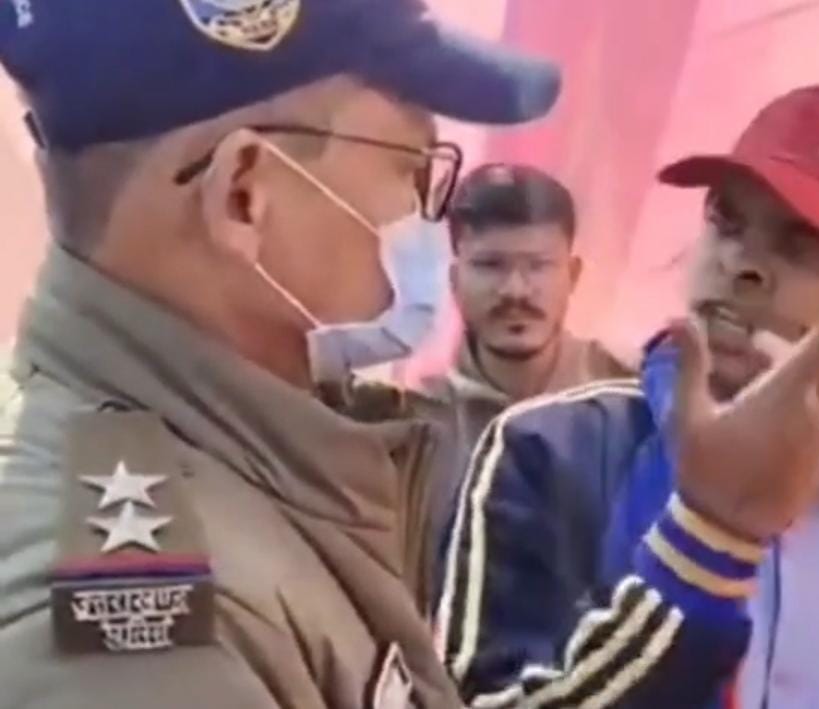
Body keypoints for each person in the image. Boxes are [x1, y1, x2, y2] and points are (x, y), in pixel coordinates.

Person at [0, 0, 566, 706]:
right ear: (244, 196)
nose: (431, 222)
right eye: (415, 172)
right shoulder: (142, 648)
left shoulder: (227, 454)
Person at [434, 86, 819, 708]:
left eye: (802, 243)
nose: (742, 264)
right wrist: (707, 543)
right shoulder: (551, 454)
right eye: (725, 221)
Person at [406, 163, 630, 609]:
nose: (516, 290)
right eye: (490, 266)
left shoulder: (631, 403)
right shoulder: (413, 428)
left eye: (539, 266)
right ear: (454, 280)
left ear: (573, 275)